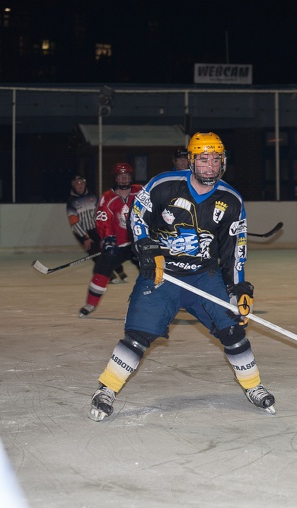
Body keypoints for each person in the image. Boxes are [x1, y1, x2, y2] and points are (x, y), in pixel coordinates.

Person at [88, 132, 275, 421]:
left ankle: (254, 386)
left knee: (233, 330)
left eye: (215, 160)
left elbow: (234, 250)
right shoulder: (164, 184)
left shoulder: (231, 199)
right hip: (163, 274)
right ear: (191, 161)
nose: (210, 166)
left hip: (204, 276)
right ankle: (106, 389)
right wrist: (145, 245)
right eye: (203, 159)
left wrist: (238, 286)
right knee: (138, 335)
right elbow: (138, 215)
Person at [78, 163, 142, 318]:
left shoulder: (140, 191)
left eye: (127, 175)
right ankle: (91, 303)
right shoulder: (107, 197)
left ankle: (155, 301)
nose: (124, 178)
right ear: (115, 179)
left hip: (139, 241)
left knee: (152, 270)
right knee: (101, 269)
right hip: (118, 244)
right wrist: (108, 239)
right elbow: (103, 220)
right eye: (120, 176)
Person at [66, 175, 127, 285]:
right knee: (97, 254)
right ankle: (109, 275)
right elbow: (74, 223)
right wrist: (85, 237)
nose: (80, 185)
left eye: (81, 182)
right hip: (83, 233)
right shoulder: (71, 202)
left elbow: (102, 212)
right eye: (77, 183)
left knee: (110, 249)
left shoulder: (93, 196)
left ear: (85, 184)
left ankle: (120, 271)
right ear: (73, 186)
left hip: (97, 229)